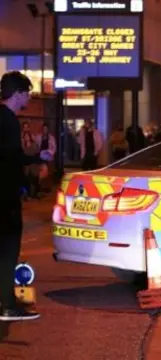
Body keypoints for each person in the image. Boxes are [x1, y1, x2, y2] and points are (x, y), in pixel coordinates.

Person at [0, 71, 52, 321]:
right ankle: (8, 305)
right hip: (5, 197)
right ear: (17, 93)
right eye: (27, 94)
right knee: (8, 251)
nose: (28, 99)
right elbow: (11, 157)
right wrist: (36, 158)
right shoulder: (8, 120)